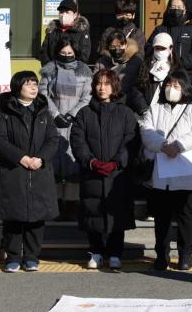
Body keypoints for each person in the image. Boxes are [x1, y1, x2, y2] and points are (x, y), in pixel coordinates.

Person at [0, 71, 59, 273]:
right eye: (29, 84)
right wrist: (22, 158)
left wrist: (40, 158)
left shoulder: (44, 112)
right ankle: (13, 257)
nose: (34, 87)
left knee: (37, 217)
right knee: (13, 216)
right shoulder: (5, 113)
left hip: (39, 170)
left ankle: (31, 257)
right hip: (13, 171)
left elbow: (53, 140)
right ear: (18, 87)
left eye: (35, 84)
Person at [70, 70, 139, 270]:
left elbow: (131, 140)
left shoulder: (125, 113)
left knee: (117, 212)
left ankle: (116, 252)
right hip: (92, 172)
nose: (102, 88)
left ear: (114, 86)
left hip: (118, 174)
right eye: (99, 83)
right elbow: (77, 140)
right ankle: (97, 251)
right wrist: (91, 162)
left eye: (107, 83)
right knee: (93, 214)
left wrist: (117, 162)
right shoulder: (85, 113)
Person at [141, 70, 192, 271]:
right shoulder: (155, 109)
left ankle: (186, 254)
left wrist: (178, 145)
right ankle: (162, 254)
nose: (172, 89)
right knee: (162, 218)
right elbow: (145, 130)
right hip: (161, 174)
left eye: (177, 86)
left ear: (185, 88)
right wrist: (162, 145)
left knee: (186, 217)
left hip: (185, 172)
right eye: (169, 85)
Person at [38, 35, 92, 220]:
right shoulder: (49, 70)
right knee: (54, 161)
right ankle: (55, 203)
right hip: (53, 121)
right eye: (63, 52)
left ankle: (71, 203)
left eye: (70, 52)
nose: (67, 55)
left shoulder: (84, 72)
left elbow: (87, 97)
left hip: (76, 123)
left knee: (73, 160)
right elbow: (43, 94)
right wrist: (55, 115)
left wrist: (72, 115)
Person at [146, 0, 192, 77]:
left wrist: (177, 63)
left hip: (187, 76)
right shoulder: (160, 29)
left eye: (179, 7)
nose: (176, 10)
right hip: (161, 74)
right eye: (173, 7)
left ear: (185, 10)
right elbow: (148, 48)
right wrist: (162, 59)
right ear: (169, 9)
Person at [128, 33, 179, 116]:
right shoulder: (146, 66)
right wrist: (143, 109)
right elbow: (137, 89)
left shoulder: (177, 68)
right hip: (148, 113)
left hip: (170, 114)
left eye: (163, 48)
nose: (159, 51)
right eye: (157, 48)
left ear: (170, 48)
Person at [40, 0, 91, 65]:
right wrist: (50, 68)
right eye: (61, 12)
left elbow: (84, 55)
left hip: (73, 72)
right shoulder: (52, 31)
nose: (63, 15)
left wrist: (74, 70)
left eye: (67, 12)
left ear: (75, 15)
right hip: (53, 71)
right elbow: (44, 52)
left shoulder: (81, 32)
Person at [94, 31, 143, 96]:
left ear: (125, 45)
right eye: (112, 46)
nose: (116, 49)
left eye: (119, 46)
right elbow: (95, 82)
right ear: (108, 47)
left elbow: (140, 86)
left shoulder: (136, 62)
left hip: (128, 101)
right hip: (106, 100)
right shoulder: (101, 62)